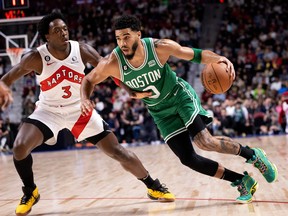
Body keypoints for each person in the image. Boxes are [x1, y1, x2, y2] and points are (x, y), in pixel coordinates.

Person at [80, 14, 278, 204]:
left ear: (138, 35)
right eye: (118, 38)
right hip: (159, 112)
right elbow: (89, 79)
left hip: (179, 96)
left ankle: (253, 156)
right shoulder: (113, 62)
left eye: (126, 37)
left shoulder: (159, 48)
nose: (122, 43)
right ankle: (242, 181)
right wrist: (84, 98)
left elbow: (196, 55)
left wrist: (219, 58)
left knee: (205, 141)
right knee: (188, 159)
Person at [0, 12, 175, 216]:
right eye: (57, 31)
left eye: (65, 28)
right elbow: (7, 78)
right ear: (47, 36)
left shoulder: (80, 49)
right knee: (20, 147)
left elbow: (107, 68)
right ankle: (30, 192)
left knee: (117, 151)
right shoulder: (36, 57)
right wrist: (2, 87)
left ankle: (152, 185)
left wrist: (129, 90)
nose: (63, 33)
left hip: (79, 109)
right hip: (49, 111)